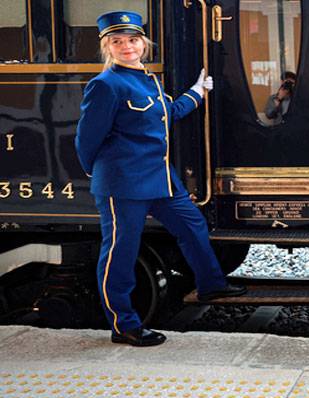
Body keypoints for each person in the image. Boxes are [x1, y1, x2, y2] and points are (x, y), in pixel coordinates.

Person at [75, 11, 246, 347]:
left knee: (192, 225)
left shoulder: (147, 79)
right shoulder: (105, 84)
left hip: (159, 179)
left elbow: (168, 113)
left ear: (144, 43)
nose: (127, 46)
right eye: (118, 41)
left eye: (133, 40)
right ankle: (124, 325)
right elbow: (86, 138)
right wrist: (97, 173)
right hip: (123, 183)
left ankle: (211, 284)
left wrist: (197, 92)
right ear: (107, 47)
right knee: (121, 252)